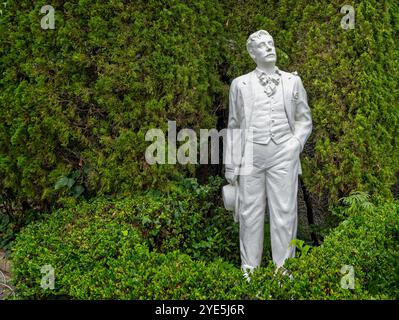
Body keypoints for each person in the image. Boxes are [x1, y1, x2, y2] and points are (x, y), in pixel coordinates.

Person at [225, 30, 312, 278]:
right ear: (252, 53)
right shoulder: (239, 84)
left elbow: (304, 120)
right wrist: (231, 168)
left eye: (271, 44)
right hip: (250, 155)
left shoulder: (293, 82)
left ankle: (283, 272)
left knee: (284, 213)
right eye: (262, 46)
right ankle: (249, 272)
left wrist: (295, 144)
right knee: (249, 214)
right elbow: (233, 127)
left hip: (283, 154)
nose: (269, 48)